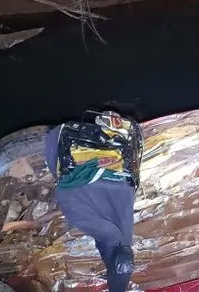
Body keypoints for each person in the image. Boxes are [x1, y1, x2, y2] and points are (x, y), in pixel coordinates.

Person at [44, 110, 143, 292]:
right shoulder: (114, 235)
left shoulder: (119, 235)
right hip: (88, 186)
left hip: (113, 186)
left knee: (115, 248)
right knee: (115, 249)